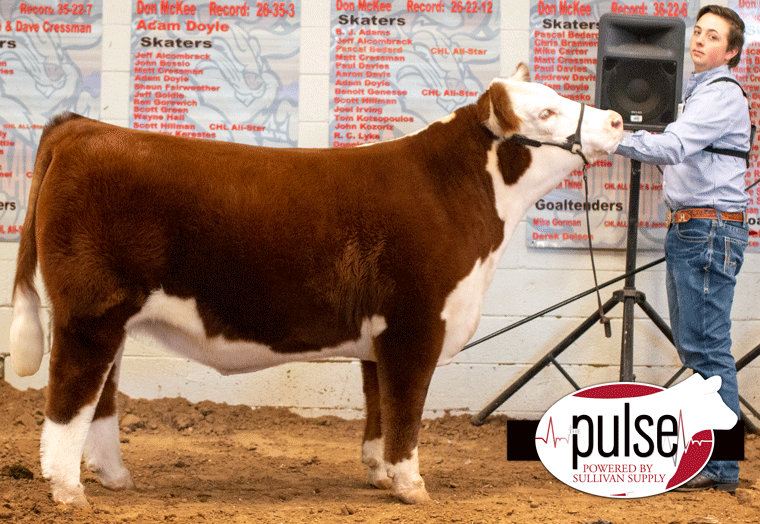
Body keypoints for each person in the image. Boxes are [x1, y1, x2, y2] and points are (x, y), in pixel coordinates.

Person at [615, 5, 751, 492]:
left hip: (706, 230)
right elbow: (681, 158)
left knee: (709, 350)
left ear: (731, 52)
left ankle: (721, 467)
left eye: (712, 37)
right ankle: (713, 462)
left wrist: (609, 138)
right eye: (697, 32)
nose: (698, 41)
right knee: (698, 348)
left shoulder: (719, 95)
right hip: (696, 228)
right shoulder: (702, 96)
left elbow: (672, 149)